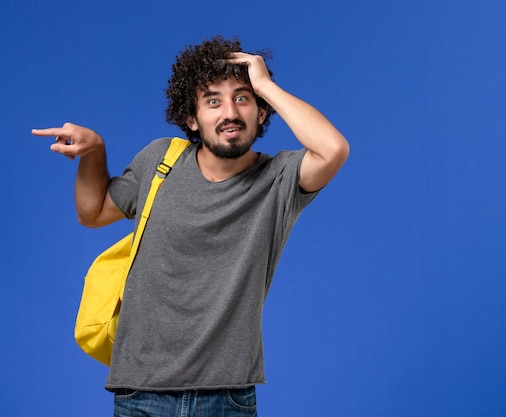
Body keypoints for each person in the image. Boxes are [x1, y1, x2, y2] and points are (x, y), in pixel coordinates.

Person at [33, 36, 349, 417]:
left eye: (243, 98)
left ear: (262, 112)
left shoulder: (278, 179)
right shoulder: (161, 161)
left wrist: (264, 84)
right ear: (191, 118)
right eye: (212, 100)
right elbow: (93, 212)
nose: (229, 112)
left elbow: (332, 149)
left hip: (227, 396)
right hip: (140, 392)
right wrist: (95, 151)